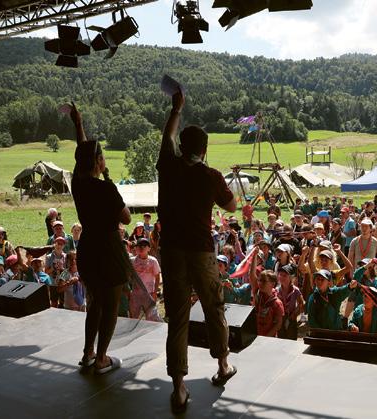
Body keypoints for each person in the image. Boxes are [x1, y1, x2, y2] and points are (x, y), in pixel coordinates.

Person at [156, 90, 236, 413]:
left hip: (171, 251)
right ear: (204, 150)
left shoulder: (168, 166)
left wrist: (176, 109)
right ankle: (223, 365)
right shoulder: (211, 176)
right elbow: (232, 206)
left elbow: (167, 136)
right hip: (201, 252)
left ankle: (178, 388)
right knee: (214, 307)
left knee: (178, 317)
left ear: (181, 146)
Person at [68, 102, 137, 376]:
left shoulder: (77, 183)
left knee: (95, 301)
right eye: (102, 156)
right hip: (108, 250)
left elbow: (82, 153)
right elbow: (127, 219)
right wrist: (113, 187)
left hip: (88, 248)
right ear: (98, 162)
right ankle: (102, 359)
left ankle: (88, 353)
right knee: (110, 305)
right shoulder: (105, 189)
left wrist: (78, 124)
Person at [129, 238, 162, 322]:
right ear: (136, 248)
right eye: (139, 246)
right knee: (134, 317)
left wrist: (155, 292)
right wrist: (129, 291)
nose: (142, 248)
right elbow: (128, 276)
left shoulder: (153, 261)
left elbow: (157, 277)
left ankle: (151, 329)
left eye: (144, 246)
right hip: (136, 293)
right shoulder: (132, 261)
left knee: (151, 316)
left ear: (149, 248)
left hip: (149, 293)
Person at [249, 268, 284, 337]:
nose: (260, 283)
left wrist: (265, 338)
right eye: (259, 280)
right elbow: (252, 276)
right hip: (255, 336)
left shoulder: (277, 303)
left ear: (272, 284)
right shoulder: (258, 295)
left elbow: (278, 324)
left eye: (264, 281)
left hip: (268, 339)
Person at [276, 264, 305, 340]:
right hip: (280, 318)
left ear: (291, 278)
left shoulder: (295, 290)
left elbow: (301, 303)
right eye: (280, 275)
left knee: (291, 338)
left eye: (285, 275)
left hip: (291, 318)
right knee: (281, 338)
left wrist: (295, 313)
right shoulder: (277, 290)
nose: (281, 277)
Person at [45, 236, 68, 308]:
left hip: (63, 283)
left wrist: (62, 268)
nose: (59, 246)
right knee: (54, 302)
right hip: (53, 283)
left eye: (61, 244)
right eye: (58, 243)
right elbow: (46, 272)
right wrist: (53, 268)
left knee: (63, 302)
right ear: (54, 244)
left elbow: (68, 271)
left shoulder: (66, 257)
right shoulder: (49, 257)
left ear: (64, 246)